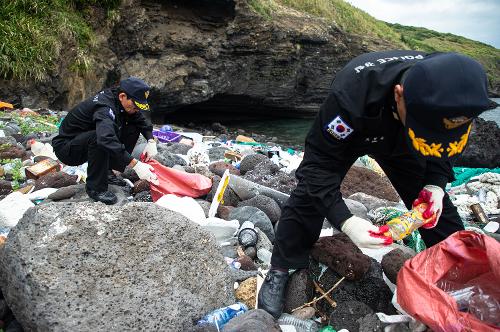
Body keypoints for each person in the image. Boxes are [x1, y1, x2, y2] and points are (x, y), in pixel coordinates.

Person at [257, 50, 493, 318]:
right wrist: (347, 221)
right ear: (399, 94)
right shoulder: (350, 96)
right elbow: (316, 168)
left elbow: (445, 145)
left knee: (434, 210)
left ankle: (466, 273)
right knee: (310, 196)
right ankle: (282, 267)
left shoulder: (448, 91)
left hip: (408, 141)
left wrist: (436, 185)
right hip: (358, 130)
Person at [52, 77, 160, 205]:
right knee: (100, 137)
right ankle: (95, 189)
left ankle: (107, 172)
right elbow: (105, 139)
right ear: (122, 96)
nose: (137, 109)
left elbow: (140, 120)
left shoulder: (121, 101)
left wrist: (150, 140)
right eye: (136, 105)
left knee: (132, 124)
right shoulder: (105, 107)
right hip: (67, 148)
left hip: (85, 141)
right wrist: (135, 164)